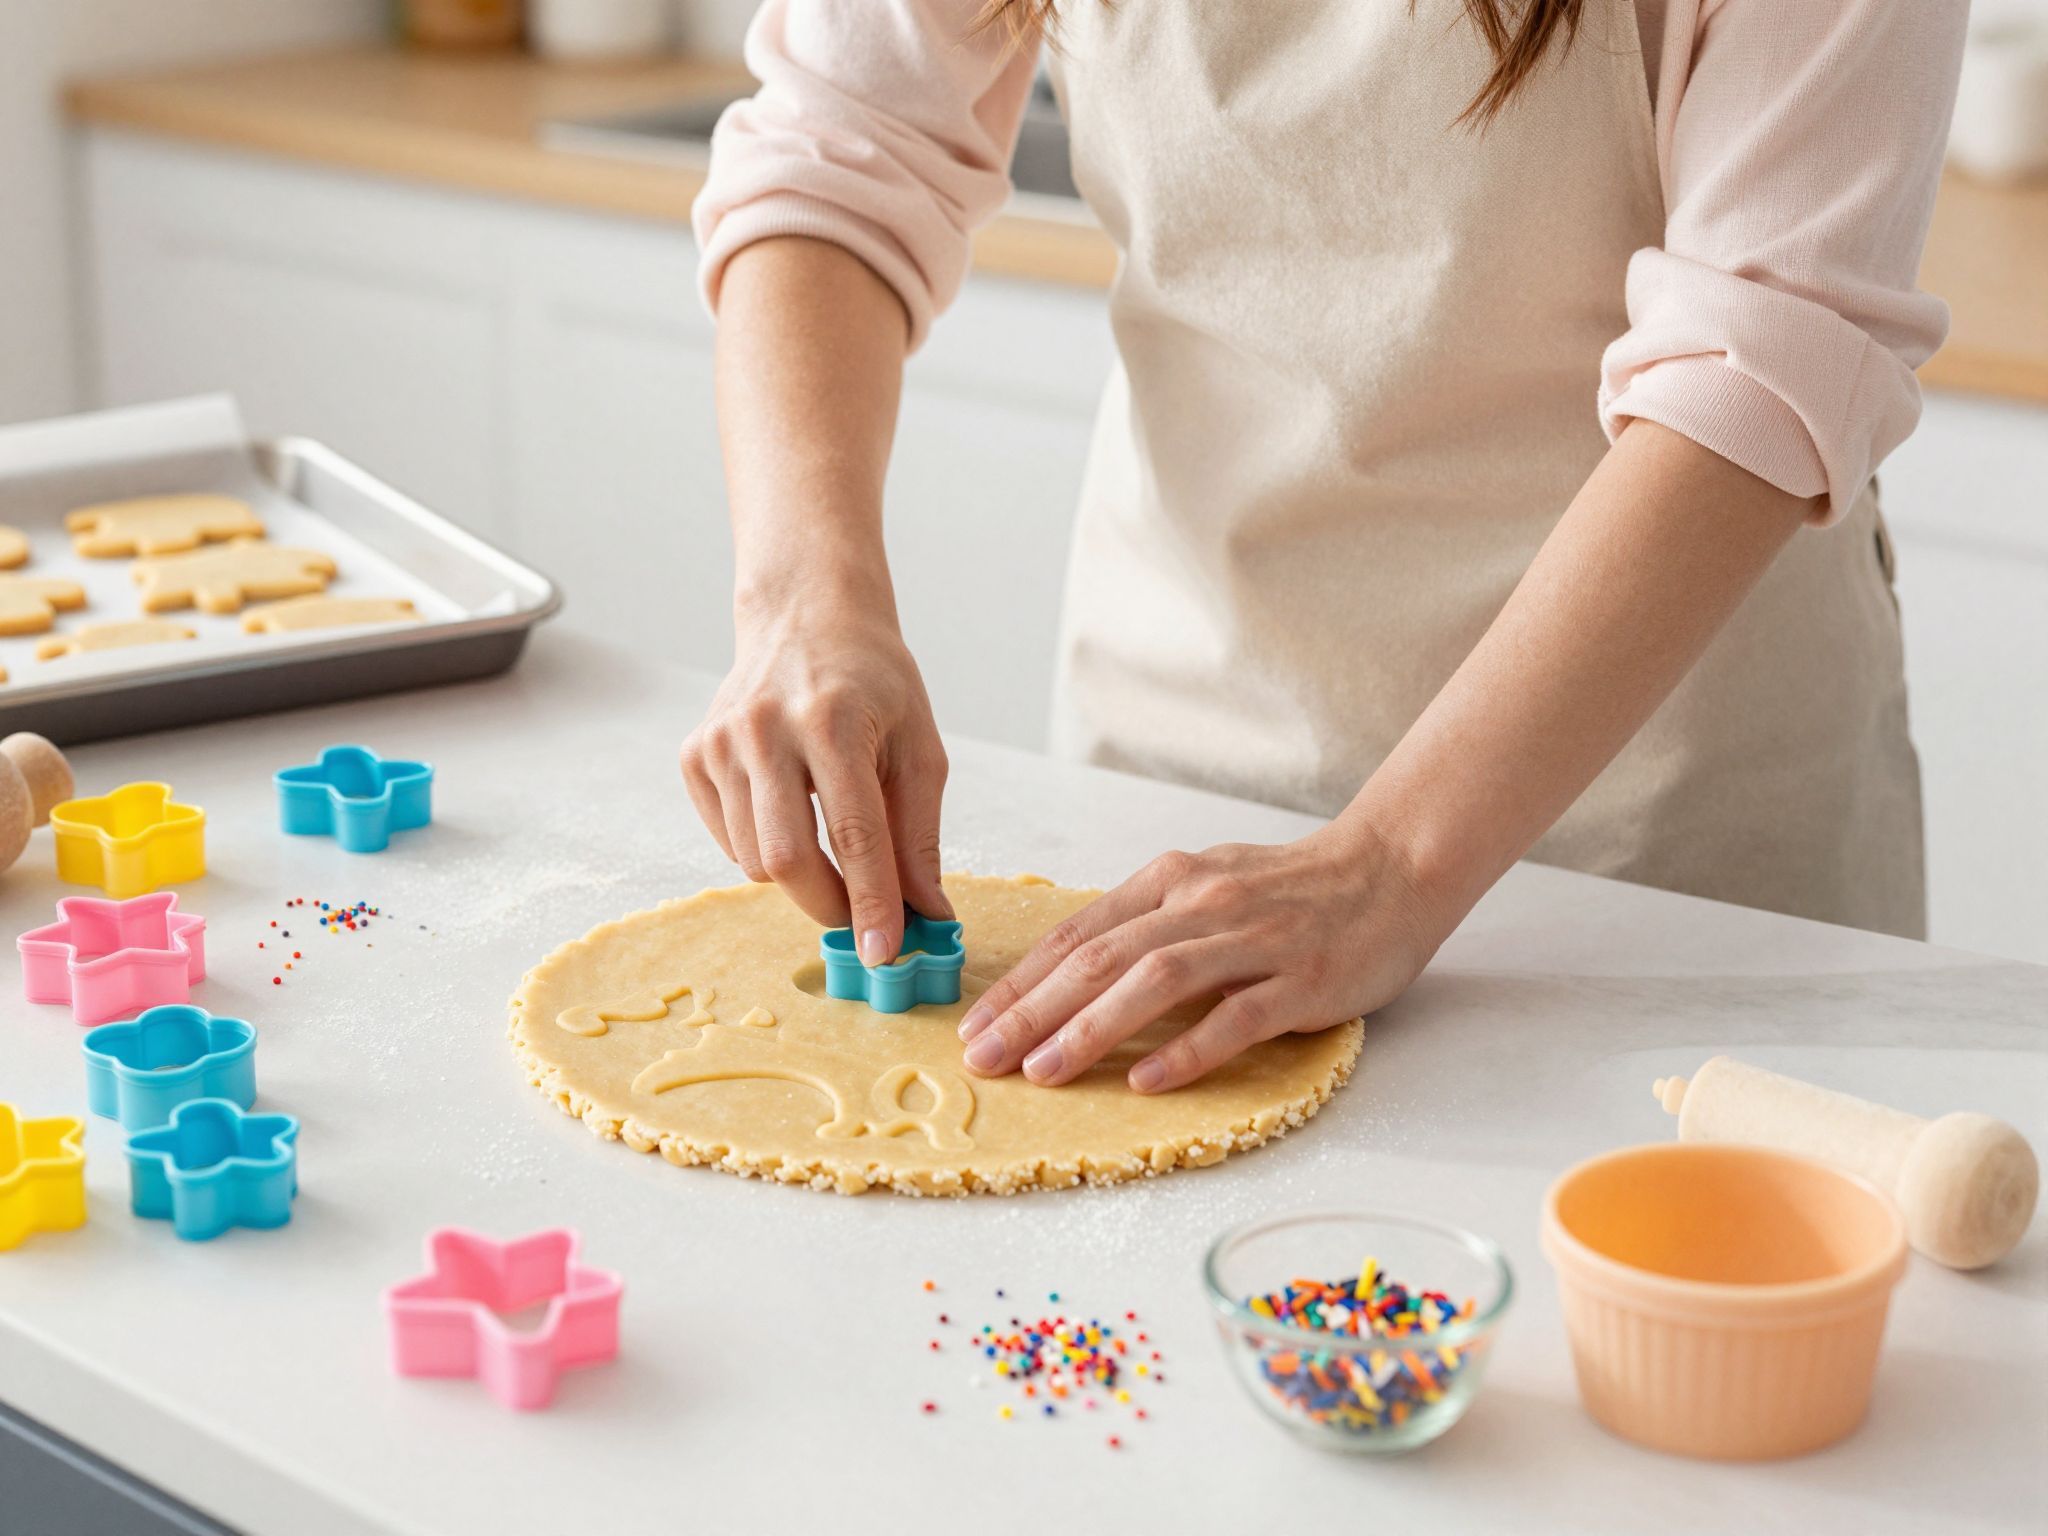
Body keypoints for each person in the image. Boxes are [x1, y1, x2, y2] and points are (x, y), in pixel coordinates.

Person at [679, 0, 1966, 1095]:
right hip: (1168, 789)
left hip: (1659, 842)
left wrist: (1393, 863)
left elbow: (1757, 357)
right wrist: (804, 597)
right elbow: (840, 155)